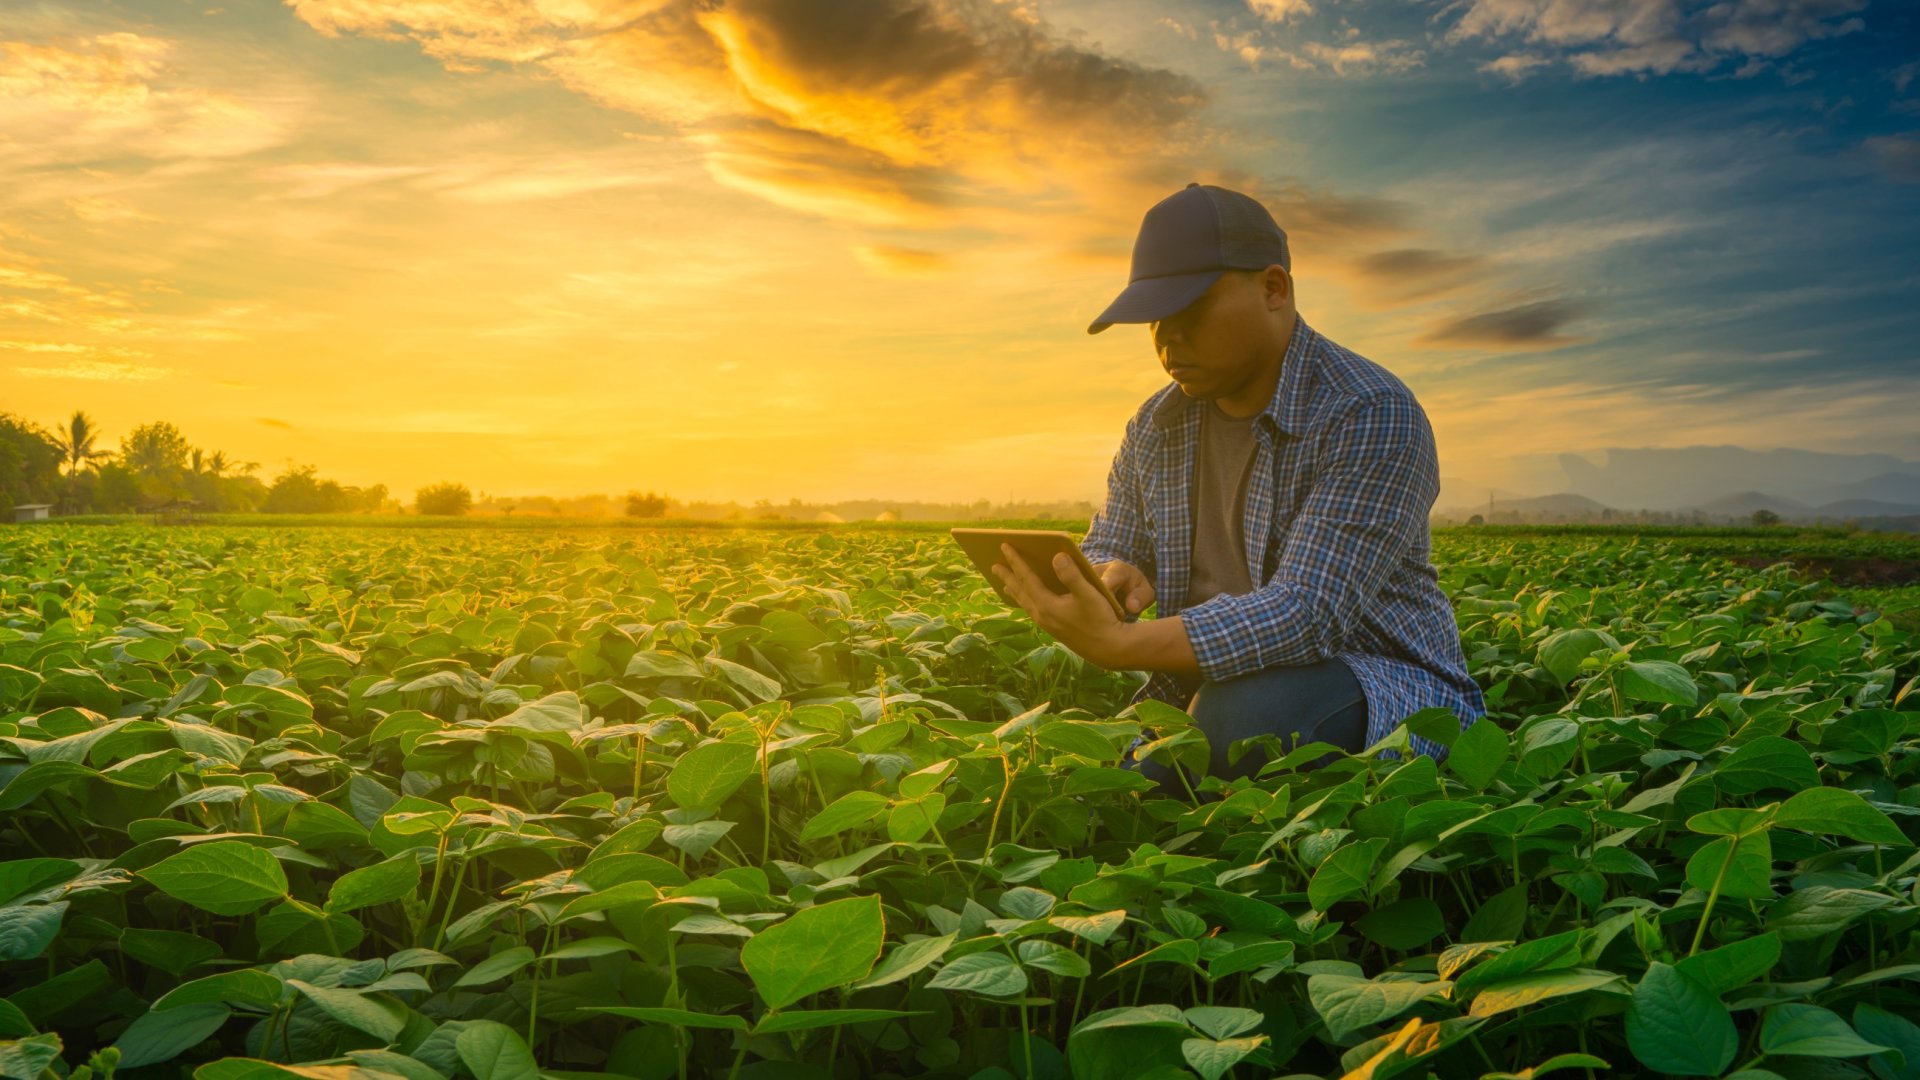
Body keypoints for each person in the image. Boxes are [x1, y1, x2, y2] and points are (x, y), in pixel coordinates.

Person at [990, 182, 1485, 792]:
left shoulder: (1370, 410)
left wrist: (1122, 643)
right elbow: (1110, 539)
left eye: (1191, 310)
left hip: (1379, 684)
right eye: (1154, 320)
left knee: (1245, 722)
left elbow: (1310, 613)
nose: (1169, 339)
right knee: (1090, 767)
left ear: (1273, 288)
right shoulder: (1157, 424)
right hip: (1209, 687)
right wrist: (1110, 573)